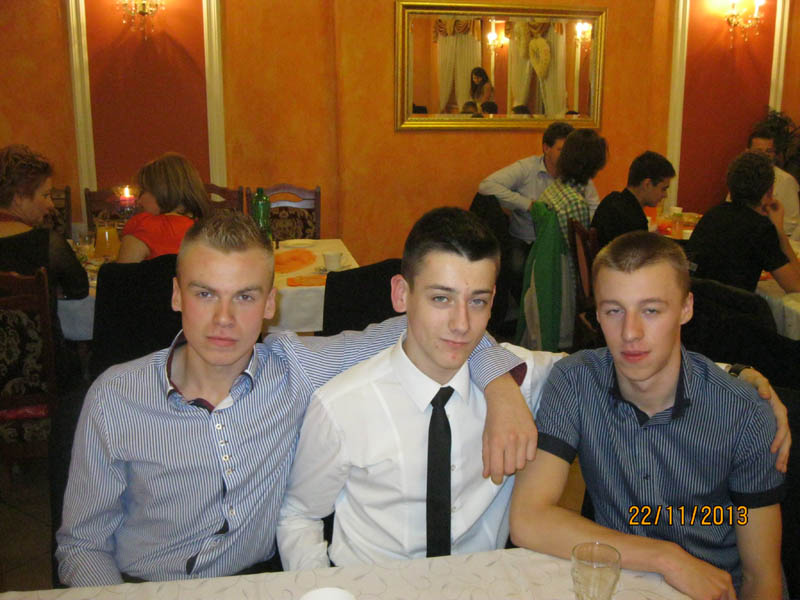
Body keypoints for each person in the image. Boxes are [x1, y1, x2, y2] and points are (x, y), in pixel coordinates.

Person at [55, 211, 537, 587]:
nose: (224, 318)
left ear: (270, 304)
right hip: (144, 587)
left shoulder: (296, 371)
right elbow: (82, 545)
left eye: (245, 297)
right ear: (177, 295)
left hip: (259, 585)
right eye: (205, 294)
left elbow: (436, 329)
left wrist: (501, 388)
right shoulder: (116, 399)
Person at [277, 207, 564, 570]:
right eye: (441, 298)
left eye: (477, 301)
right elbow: (298, 515)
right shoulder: (341, 406)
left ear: (493, 301)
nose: (461, 324)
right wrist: (324, 588)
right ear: (401, 294)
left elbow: (601, 369)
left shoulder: (523, 381)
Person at [510, 231, 785, 600]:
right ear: (597, 314)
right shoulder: (575, 381)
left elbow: (760, 577)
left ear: (686, 308)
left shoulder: (744, 414)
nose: (630, 333)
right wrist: (666, 558)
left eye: (651, 310)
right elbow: (528, 518)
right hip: (624, 582)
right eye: (614, 310)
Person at [478, 122, 600, 302]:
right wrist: (527, 204)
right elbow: (486, 186)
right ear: (546, 148)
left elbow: (594, 206)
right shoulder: (527, 168)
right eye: (561, 150)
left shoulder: (576, 172)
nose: (567, 156)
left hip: (562, 245)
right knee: (517, 267)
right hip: (526, 239)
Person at [0, 144, 88, 390]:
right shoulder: (48, 243)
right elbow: (79, 289)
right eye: (45, 195)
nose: (51, 205)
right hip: (45, 381)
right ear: (19, 198)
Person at [686, 150, 800, 293]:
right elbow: (796, 286)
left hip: (698, 301)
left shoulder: (712, 215)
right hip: (733, 305)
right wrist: (780, 231)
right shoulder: (761, 229)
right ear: (769, 192)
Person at [116, 152, 211, 263]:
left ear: (160, 191)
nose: (139, 200)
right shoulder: (209, 231)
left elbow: (122, 272)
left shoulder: (144, 226)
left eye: (143, 191)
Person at [726, 125, 800, 237]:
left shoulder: (787, 181)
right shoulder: (740, 177)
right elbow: (729, 209)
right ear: (747, 152)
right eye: (758, 151)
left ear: (775, 154)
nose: (764, 155)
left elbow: (792, 224)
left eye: (769, 151)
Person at [591, 151, 675, 248]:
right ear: (647, 184)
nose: (665, 195)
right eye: (663, 189)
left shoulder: (611, 200)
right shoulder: (634, 220)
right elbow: (638, 256)